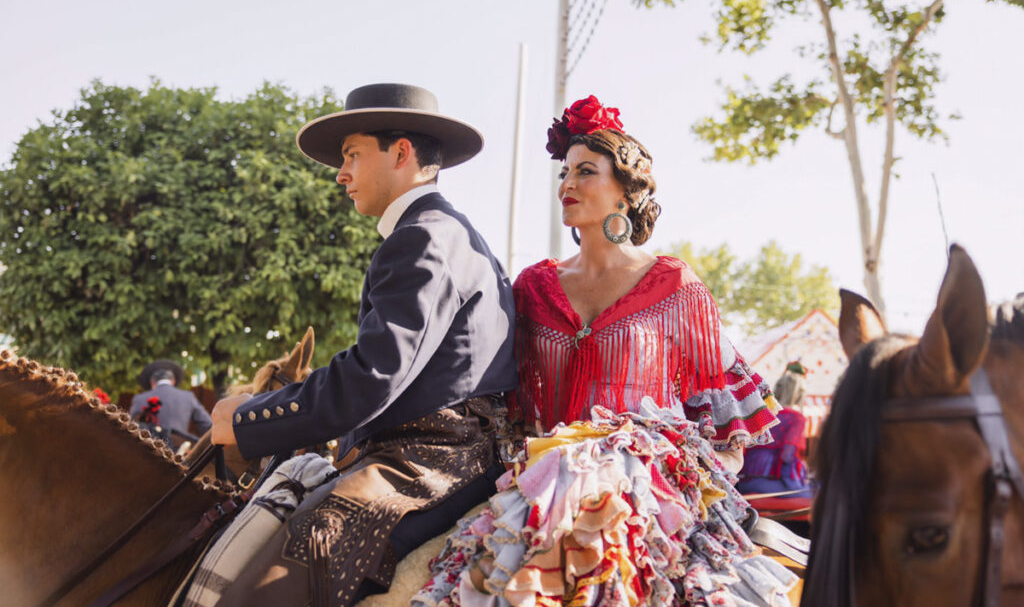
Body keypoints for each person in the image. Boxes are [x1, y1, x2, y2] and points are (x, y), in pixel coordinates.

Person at [413, 96, 794, 607]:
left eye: (585, 172)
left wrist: (689, 475)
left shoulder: (675, 286)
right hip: (541, 482)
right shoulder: (532, 286)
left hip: (645, 491)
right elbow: (502, 395)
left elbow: (718, 414)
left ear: (626, 191)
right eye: (564, 173)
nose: (566, 185)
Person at [207, 83, 518, 605]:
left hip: (435, 456)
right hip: (430, 448)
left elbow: (372, 375)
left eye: (352, 154)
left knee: (302, 552)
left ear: (401, 153)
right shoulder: (441, 232)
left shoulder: (423, 236)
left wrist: (247, 417)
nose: (341, 173)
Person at [738, 362, 810, 495]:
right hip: (772, 482)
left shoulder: (762, 414)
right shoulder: (796, 418)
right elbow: (787, 456)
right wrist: (794, 485)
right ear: (800, 395)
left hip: (744, 481)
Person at [129, 359, 211, 439]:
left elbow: (131, 427)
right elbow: (207, 425)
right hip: (181, 449)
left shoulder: (139, 399)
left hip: (149, 448)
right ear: (173, 381)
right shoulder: (188, 396)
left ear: (152, 382)